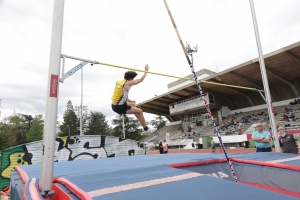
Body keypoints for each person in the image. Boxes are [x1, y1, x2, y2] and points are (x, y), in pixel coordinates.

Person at [111, 64, 151, 134]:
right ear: (130, 79)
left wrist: (129, 100)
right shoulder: (128, 83)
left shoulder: (119, 82)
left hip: (115, 105)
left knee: (133, 105)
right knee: (140, 111)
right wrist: (146, 71)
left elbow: (120, 94)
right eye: (133, 79)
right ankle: (146, 129)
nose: (133, 80)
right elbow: (140, 80)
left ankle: (142, 122)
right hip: (119, 107)